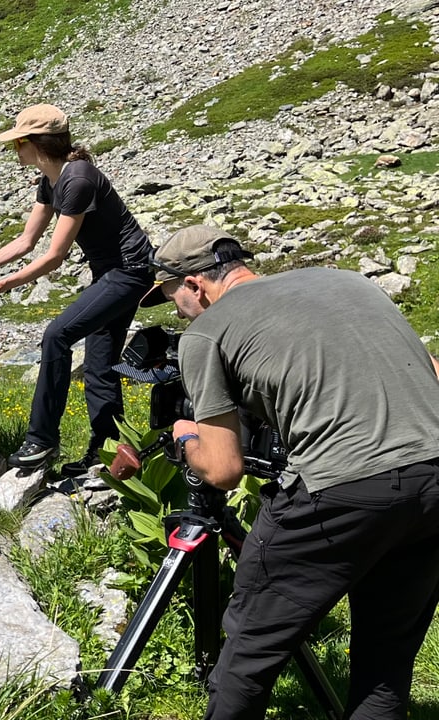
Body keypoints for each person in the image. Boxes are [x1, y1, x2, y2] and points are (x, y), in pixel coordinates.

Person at [140, 224, 439, 719]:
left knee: (250, 657)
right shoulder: (347, 282)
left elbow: (224, 470)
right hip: (433, 476)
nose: (177, 312)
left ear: (195, 284)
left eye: (173, 298)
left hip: (340, 485)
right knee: (385, 663)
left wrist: (184, 433)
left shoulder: (208, 331)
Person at [0, 103, 154, 474]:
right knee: (100, 363)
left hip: (129, 271)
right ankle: (108, 453)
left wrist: (3, 284)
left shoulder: (77, 180)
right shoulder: (51, 179)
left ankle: (41, 440)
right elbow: (27, 241)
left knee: (57, 335)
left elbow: (55, 255)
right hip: (110, 272)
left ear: (37, 143)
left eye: (18, 143)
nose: (15, 151)